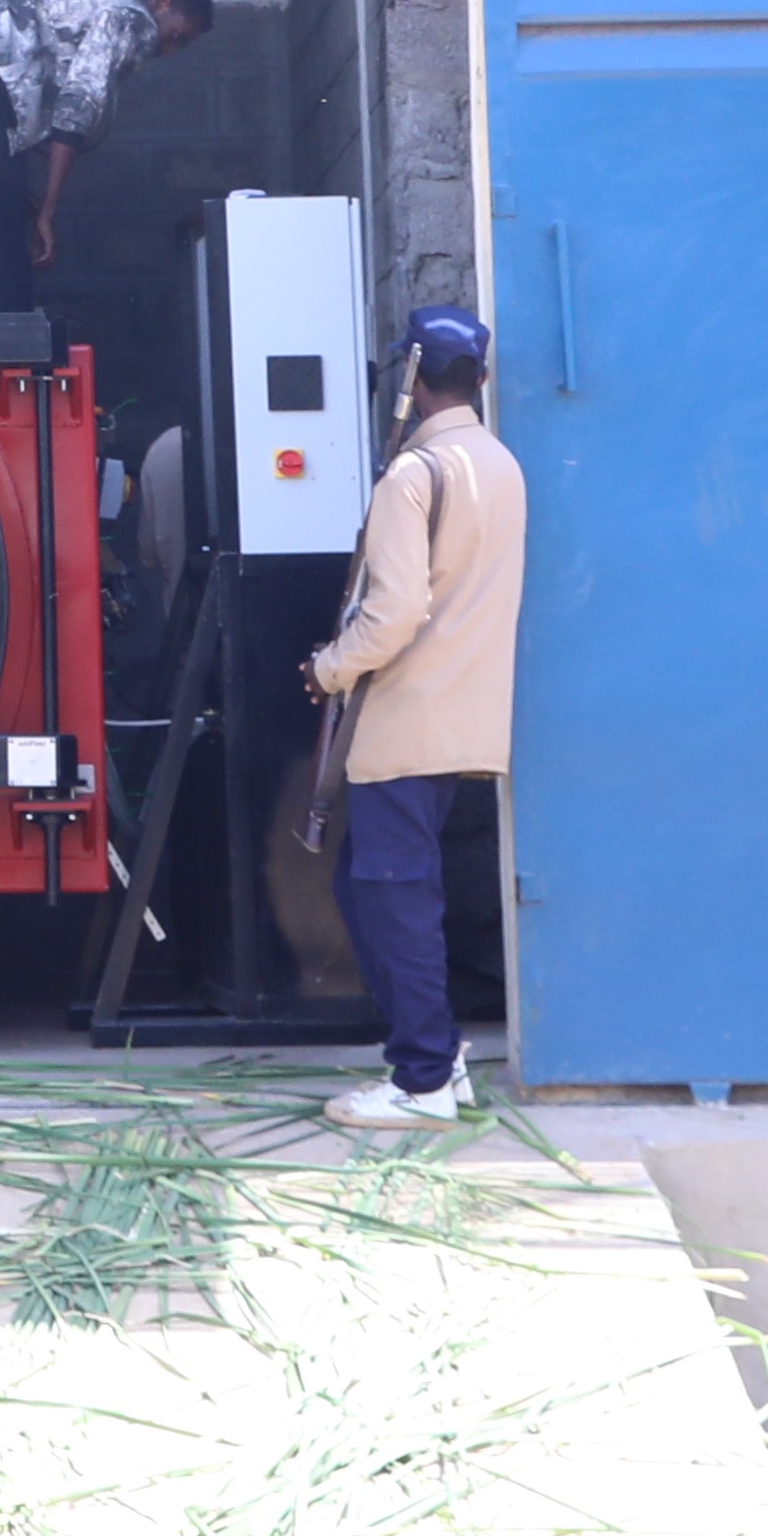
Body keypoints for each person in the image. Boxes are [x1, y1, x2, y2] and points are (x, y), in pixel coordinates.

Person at [307, 307, 525, 1133]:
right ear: (481, 377)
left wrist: (327, 669)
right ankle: (437, 1053)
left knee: (390, 895)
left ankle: (423, 1079)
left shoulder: (413, 476)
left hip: (405, 721)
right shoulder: (499, 465)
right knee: (370, 887)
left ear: (410, 377)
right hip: (463, 716)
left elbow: (392, 613)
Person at [0, 0, 212, 313]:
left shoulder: (99, 2)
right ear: (160, 3)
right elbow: (77, 108)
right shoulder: (130, 16)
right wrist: (48, 214)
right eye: (177, 37)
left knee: (1, 224)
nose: (169, 51)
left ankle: (13, 336)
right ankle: (9, 349)